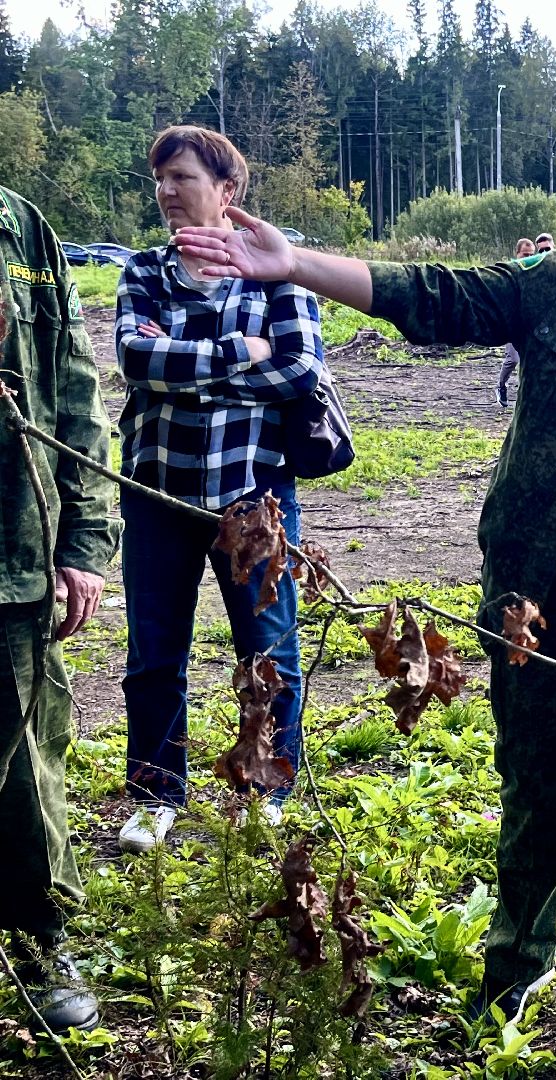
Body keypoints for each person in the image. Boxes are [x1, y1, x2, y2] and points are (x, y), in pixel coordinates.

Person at [174, 111, 556, 1080]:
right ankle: (512, 975)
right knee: (536, 793)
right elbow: (444, 297)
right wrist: (297, 264)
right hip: (545, 583)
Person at [114, 125, 324, 853]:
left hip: (253, 499)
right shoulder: (143, 272)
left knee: (267, 650)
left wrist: (191, 371)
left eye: (183, 178)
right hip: (157, 496)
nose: (168, 192)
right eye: (160, 180)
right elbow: (136, 360)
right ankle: (154, 795)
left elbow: (300, 370)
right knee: (154, 655)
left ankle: (266, 788)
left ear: (226, 191)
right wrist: (242, 355)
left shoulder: (276, 273)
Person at [0, 184, 119, 1030]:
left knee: (29, 761)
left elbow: (75, 392)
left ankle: (42, 942)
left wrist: (83, 540)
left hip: (14, 552)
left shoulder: (21, 226)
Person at [495, 237, 536, 408]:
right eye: (525, 254)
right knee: (512, 359)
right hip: (512, 323)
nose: (528, 257)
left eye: (531, 254)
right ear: (517, 254)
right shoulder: (509, 272)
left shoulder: (536, 270)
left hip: (531, 324)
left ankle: (526, 395)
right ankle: (500, 386)